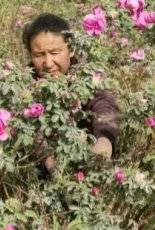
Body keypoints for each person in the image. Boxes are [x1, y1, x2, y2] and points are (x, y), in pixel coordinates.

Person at [22, 13, 121, 179]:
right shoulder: (26, 83)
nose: (48, 63)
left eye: (54, 52)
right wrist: (50, 161)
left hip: (87, 154)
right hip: (41, 167)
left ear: (71, 49)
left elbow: (104, 103)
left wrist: (104, 142)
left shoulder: (87, 74)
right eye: (39, 55)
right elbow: (30, 129)